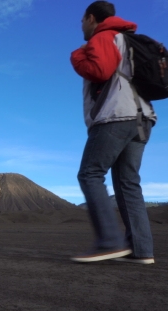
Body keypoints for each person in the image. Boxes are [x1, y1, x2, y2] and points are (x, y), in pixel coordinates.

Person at [70, 1, 157, 264]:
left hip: (117, 116)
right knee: (128, 183)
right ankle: (141, 250)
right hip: (143, 119)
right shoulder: (128, 40)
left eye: (83, 20)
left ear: (91, 18)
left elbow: (100, 70)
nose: (81, 25)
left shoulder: (104, 36)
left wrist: (77, 55)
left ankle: (109, 241)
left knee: (90, 173)